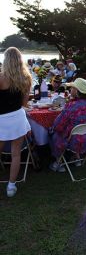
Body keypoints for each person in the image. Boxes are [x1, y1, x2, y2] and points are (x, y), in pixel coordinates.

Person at [0, 47, 32, 197]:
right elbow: (24, 104)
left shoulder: (1, 77)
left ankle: (11, 185)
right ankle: (11, 186)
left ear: (6, 60)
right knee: (16, 154)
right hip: (18, 117)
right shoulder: (26, 78)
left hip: (2, 119)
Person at [49, 78, 86, 172]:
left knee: (54, 133)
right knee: (77, 131)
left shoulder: (72, 106)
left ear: (76, 91)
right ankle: (77, 159)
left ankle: (58, 162)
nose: (70, 89)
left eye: (72, 88)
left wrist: (52, 128)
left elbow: (58, 125)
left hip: (75, 142)